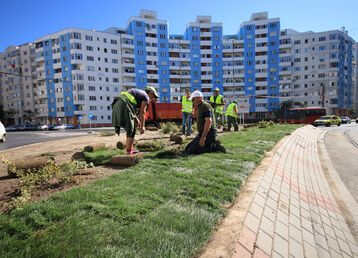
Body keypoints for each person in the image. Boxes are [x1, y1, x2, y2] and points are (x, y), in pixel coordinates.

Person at [112, 86, 158, 154]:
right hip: (124, 104)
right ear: (150, 93)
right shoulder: (146, 97)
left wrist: (136, 119)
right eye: (153, 96)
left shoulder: (138, 94)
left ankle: (129, 149)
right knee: (132, 129)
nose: (152, 99)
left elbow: (133, 109)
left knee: (131, 128)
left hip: (116, 104)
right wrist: (142, 126)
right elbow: (142, 112)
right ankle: (129, 151)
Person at [184, 90, 226, 155]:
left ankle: (215, 146)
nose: (192, 102)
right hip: (202, 133)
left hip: (209, 133)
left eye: (193, 100)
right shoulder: (199, 106)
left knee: (193, 151)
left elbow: (208, 122)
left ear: (198, 98)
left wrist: (203, 137)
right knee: (188, 148)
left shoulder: (205, 106)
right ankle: (211, 144)